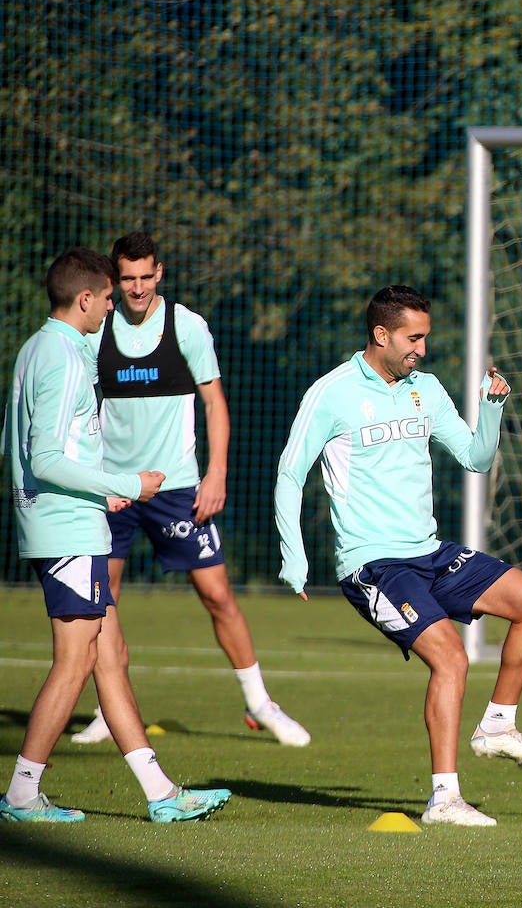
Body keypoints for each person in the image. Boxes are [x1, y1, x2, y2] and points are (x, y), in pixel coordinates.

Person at [274, 284, 522, 826]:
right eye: (413, 338)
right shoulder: (331, 392)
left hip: (427, 553)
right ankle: (444, 800)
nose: (422, 350)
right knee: (451, 657)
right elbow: (291, 473)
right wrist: (295, 555)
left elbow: (476, 459)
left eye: (425, 338)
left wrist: (491, 410)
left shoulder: (425, 389)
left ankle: (498, 723)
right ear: (381, 335)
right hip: (371, 566)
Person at [1, 247, 231, 823]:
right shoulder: (63, 358)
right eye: (106, 295)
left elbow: (13, 446)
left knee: (110, 657)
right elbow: (45, 456)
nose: (113, 305)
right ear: (85, 298)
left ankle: (161, 794)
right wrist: (120, 482)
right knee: (75, 662)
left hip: (72, 522)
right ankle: (23, 793)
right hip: (68, 532)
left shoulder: (35, 349)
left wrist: (96, 491)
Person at [69, 231, 310, 748]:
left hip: (177, 488)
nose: (136, 288)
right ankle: (109, 711)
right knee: (101, 601)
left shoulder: (187, 326)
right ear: (114, 280)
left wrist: (216, 472)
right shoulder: (95, 331)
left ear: (160, 273)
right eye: (126, 279)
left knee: (218, 594)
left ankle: (259, 702)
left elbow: (215, 403)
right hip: (112, 490)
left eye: (144, 277)